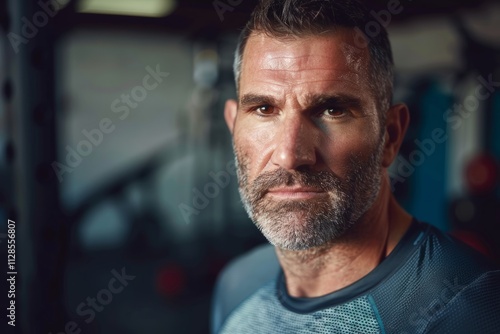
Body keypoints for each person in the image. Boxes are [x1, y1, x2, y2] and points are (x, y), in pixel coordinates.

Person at [211, 0, 500, 333]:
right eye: (263, 109)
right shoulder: (238, 285)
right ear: (234, 126)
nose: (290, 155)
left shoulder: (468, 309)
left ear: (390, 136)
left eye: (332, 110)